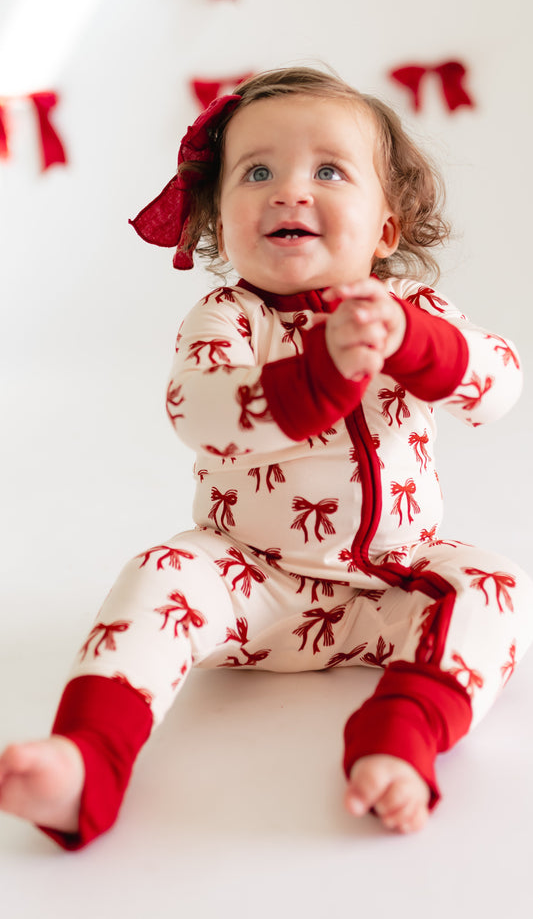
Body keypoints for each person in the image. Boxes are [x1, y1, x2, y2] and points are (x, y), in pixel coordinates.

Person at [1, 67, 532, 850]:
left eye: (328, 171)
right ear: (221, 224)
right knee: (160, 572)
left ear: (385, 230)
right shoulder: (227, 316)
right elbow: (199, 410)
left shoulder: (412, 312)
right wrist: (319, 375)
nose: (288, 191)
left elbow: (499, 386)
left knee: (496, 588)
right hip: (250, 583)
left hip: (391, 583)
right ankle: (88, 756)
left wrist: (418, 345)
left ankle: (403, 735)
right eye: (256, 172)